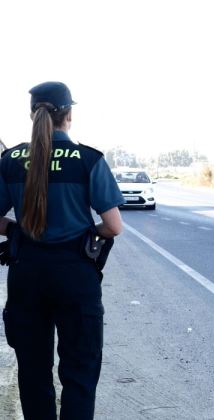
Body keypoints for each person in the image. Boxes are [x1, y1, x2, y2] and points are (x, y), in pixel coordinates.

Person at [0, 81, 125, 419]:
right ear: (68, 115)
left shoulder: (10, 160)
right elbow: (114, 227)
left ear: (32, 115)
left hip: (26, 274)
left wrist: (14, 229)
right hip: (75, 277)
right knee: (80, 374)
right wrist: (86, 233)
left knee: (33, 373)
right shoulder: (88, 159)